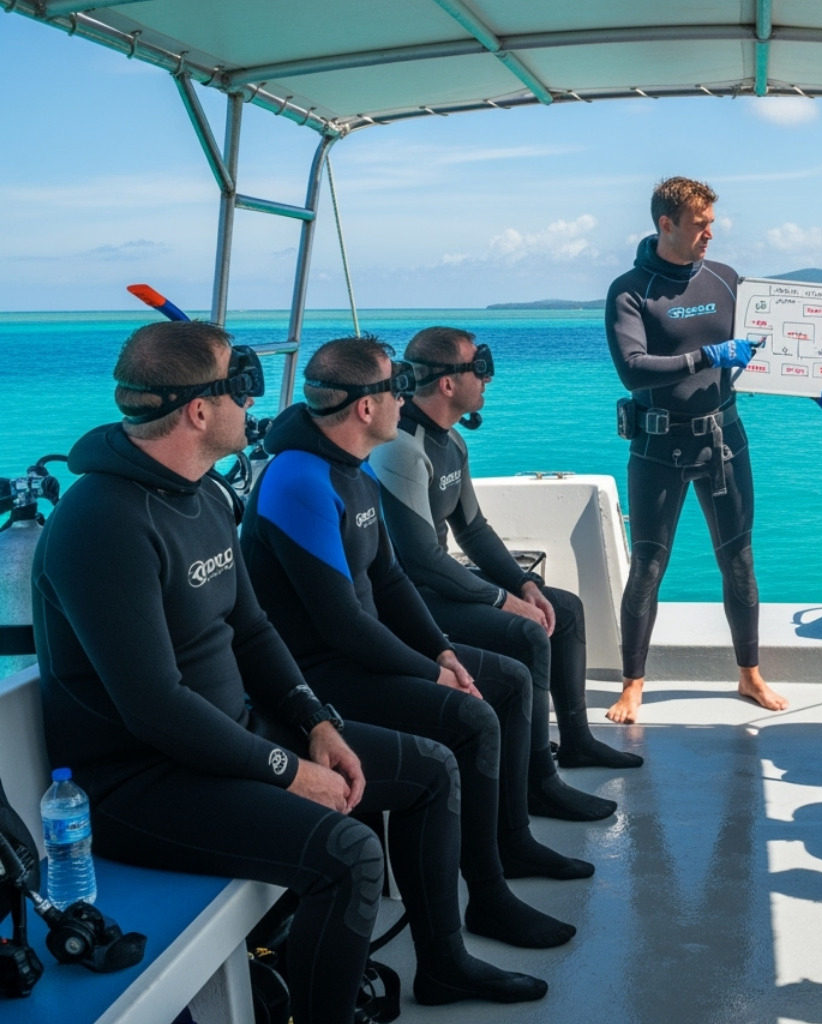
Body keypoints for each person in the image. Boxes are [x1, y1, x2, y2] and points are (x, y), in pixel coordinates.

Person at [32, 321, 546, 1023]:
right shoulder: (103, 522)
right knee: (351, 855)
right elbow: (154, 706)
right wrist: (286, 769)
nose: (258, 403)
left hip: (230, 735)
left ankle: (445, 963)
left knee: (430, 768)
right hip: (142, 782)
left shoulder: (206, 495)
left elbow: (251, 629)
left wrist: (316, 722)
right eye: (242, 388)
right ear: (199, 409)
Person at [241, 336, 588, 956]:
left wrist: (442, 653)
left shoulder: (350, 465)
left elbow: (390, 579)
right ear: (366, 408)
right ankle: (464, 929)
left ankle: (508, 849)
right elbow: (343, 623)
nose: (407, 401)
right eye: (395, 390)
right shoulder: (298, 478)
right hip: (317, 675)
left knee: (503, 680)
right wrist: (430, 674)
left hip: (357, 655)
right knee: (470, 719)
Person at [603, 175, 822, 723]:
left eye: (713, 222)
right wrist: (708, 355)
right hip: (658, 444)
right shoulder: (630, 290)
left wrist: (816, 388)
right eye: (699, 224)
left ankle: (749, 675)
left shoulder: (727, 279)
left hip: (724, 439)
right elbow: (632, 369)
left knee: (739, 560)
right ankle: (632, 685)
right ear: (666, 224)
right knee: (647, 565)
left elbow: (775, 349)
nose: (711, 233)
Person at [371, 325, 644, 783]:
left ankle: (576, 742)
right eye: (480, 368)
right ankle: (538, 776)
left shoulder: (451, 441)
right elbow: (418, 559)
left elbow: (473, 530)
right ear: (447, 383)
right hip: (407, 598)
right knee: (528, 632)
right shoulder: (401, 447)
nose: (488, 379)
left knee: (566, 609)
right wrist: (503, 601)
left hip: (437, 583)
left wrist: (524, 585)